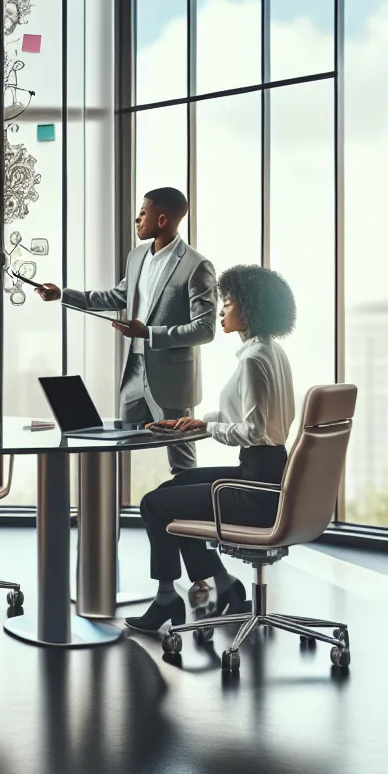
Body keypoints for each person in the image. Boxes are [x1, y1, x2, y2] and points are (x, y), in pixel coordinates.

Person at [125, 264, 297, 635]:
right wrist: (202, 422)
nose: (221, 309)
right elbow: (265, 421)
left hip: (256, 490)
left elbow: (252, 430)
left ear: (249, 309)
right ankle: (224, 584)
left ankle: (167, 597)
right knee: (178, 484)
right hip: (267, 474)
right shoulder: (271, 352)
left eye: (229, 302)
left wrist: (213, 428)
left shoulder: (253, 360)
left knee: (154, 505)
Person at [36, 187, 216, 471]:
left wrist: (149, 333)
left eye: (143, 212)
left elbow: (205, 329)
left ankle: (187, 508)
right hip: (134, 369)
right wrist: (63, 295)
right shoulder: (137, 257)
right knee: (117, 445)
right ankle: (108, 508)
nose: (137, 218)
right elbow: (115, 297)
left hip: (171, 376)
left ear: (162, 219)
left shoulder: (197, 266)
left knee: (180, 455)